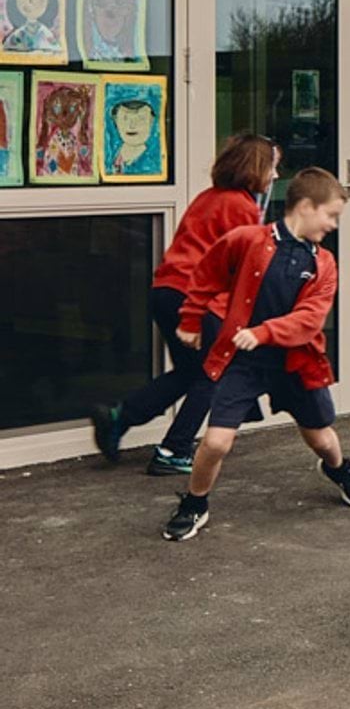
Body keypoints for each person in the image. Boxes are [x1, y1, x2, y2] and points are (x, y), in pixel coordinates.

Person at [160, 166, 350, 540]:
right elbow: (206, 274)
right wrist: (191, 319)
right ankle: (194, 504)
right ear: (306, 206)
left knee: (322, 439)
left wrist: (262, 332)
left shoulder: (323, 264)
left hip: (294, 363)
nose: (334, 225)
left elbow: (309, 320)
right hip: (244, 362)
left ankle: (340, 470)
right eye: (332, 215)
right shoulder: (247, 239)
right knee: (215, 442)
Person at [92, 132, 277, 478]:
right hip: (194, 297)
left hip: (165, 290)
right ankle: (173, 449)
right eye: (272, 167)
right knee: (213, 374)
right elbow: (244, 265)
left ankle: (122, 416)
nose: (276, 176)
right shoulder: (241, 206)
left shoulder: (209, 197)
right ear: (256, 168)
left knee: (191, 372)